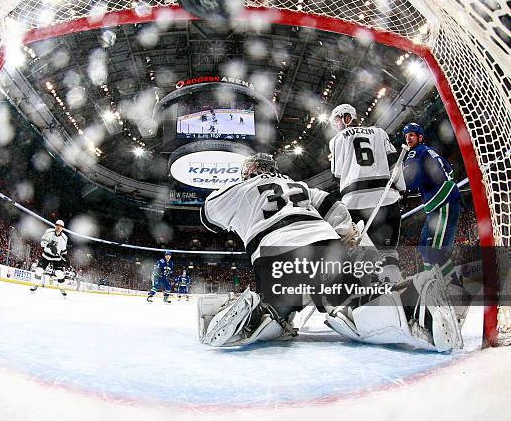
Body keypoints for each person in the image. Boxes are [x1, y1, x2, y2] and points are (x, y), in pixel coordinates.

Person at [197, 153, 461, 352]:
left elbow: (208, 215)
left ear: (249, 172)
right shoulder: (299, 185)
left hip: (277, 253)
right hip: (326, 245)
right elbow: (335, 207)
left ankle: (264, 314)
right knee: (352, 306)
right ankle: (415, 294)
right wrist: (344, 234)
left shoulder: (240, 188)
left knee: (276, 314)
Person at [328, 103, 405, 283]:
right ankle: (393, 282)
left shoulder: (337, 140)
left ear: (347, 118)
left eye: (338, 121)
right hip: (385, 199)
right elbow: (395, 164)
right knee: (388, 253)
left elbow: (337, 174)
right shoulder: (379, 132)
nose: (336, 126)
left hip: (354, 203)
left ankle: (371, 289)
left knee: (362, 253)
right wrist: (402, 188)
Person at [402, 122, 462, 286]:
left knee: (435, 253)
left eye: (412, 135)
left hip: (443, 203)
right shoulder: (429, 151)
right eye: (406, 136)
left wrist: (398, 184)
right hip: (440, 203)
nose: (408, 139)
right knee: (423, 248)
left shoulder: (415, 152)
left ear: (420, 137)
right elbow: (448, 170)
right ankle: (437, 285)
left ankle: (454, 290)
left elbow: (410, 181)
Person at [30, 220, 69, 297]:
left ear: (62, 228)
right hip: (46, 256)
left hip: (57, 258)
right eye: (57, 225)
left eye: (60, 226)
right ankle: (35, 285)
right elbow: (42, 243)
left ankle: (62, 289)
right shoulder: (48, 232)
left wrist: (65, 257)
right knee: (39, 270)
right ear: (55, 225)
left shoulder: (64, 238)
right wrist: (49, 245)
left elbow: (64, 251)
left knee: (59, 274)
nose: (58, 227)